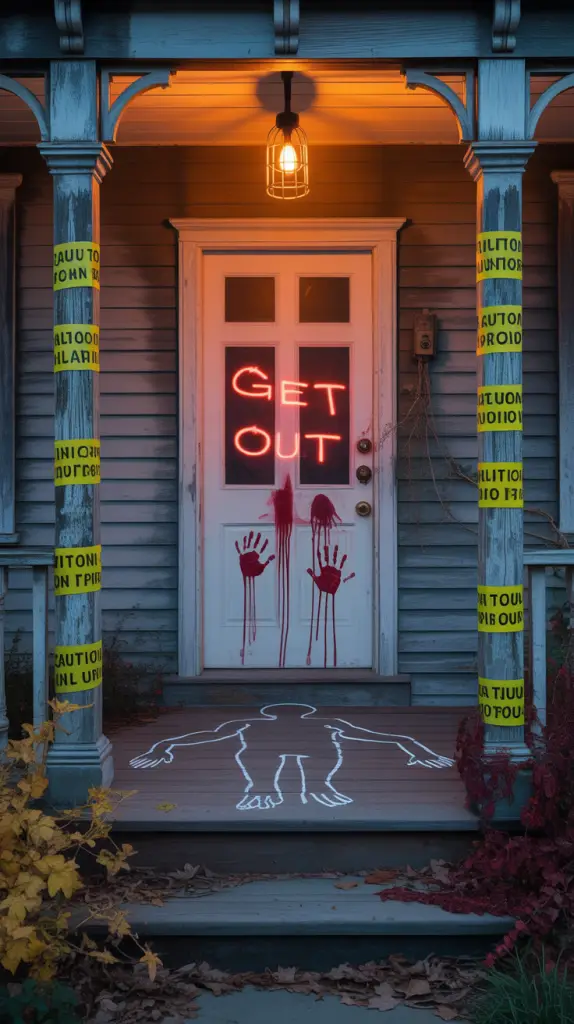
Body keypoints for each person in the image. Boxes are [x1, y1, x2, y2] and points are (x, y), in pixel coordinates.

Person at [130, 703, 454, 810]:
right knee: (261, 751)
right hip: (289, 751)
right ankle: (263, 789)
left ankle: (313, 786)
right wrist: (410, 745)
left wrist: (165, 746)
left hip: (308, 751)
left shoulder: (254, 723)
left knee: (263, 750)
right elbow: (378, 737)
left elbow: (210, 736)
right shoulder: (323, 722)